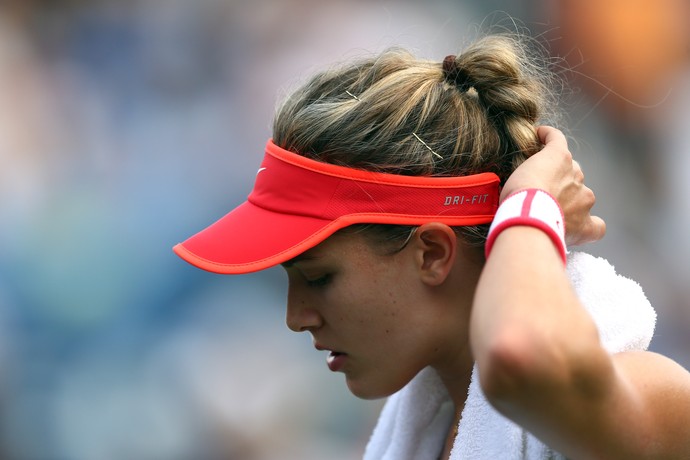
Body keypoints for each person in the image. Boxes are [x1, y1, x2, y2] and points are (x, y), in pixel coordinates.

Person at [173, 34, 690, 459]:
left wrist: (531, 206)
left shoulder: (649, 396)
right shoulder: (427, 425)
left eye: (318, 277)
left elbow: (521, 358)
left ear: (433, 254)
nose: (295, 316)